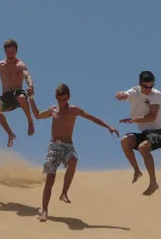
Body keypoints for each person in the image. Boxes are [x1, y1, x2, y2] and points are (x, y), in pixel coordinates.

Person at [29, 84, 119, 222]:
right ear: (56, 98)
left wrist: (109, 127)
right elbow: (37, 115)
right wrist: (31, 98)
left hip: (67, 146)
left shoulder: (74, 110)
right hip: (54, 146)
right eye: (59, 99)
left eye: (64, 99)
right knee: (50, 179)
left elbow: (92, 118)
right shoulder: (52, 110)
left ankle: (64, 192)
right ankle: (45, 211)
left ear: (69, 97)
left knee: (73, 160)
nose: (62, 102)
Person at [114, 71, 161, 196]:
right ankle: (137, 171)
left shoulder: (156, 95)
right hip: (144, 133)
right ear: (140, 84)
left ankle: (153, 183)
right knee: (124, 141)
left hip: (158, 134)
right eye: (145, 86)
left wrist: (133, 120)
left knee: (143, 147)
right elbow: (126, 94)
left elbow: (151, 117)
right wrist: (121, 94)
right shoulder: (135, 92)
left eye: (151, 86)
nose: (148, 89)